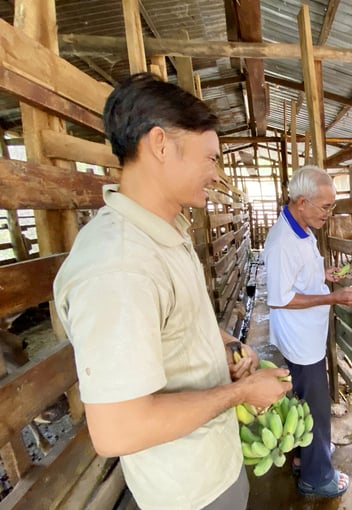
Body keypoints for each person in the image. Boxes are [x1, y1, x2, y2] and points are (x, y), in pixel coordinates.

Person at [53, 73, 291, 510]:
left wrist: (232, 346)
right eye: (210, 158)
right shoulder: (118, 266)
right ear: (161, 144)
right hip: (188, 493)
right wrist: (241, 393)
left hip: (214, 464)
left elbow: (185, 320)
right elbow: (117, 430)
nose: (216, 175)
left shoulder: (166, 233)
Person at [262, 165, 352, 498]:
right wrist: (333, 296)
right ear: (302, 201)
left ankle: (305, 456)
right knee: (315, 404)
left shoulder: (302, 229)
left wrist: (323, 272)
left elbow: (299, 274)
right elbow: (281, 298)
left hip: (308, 335)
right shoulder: (282, 242)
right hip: (301, 341)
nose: (330, 213)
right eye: (326, 206)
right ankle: (317, 478)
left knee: (306, 403)